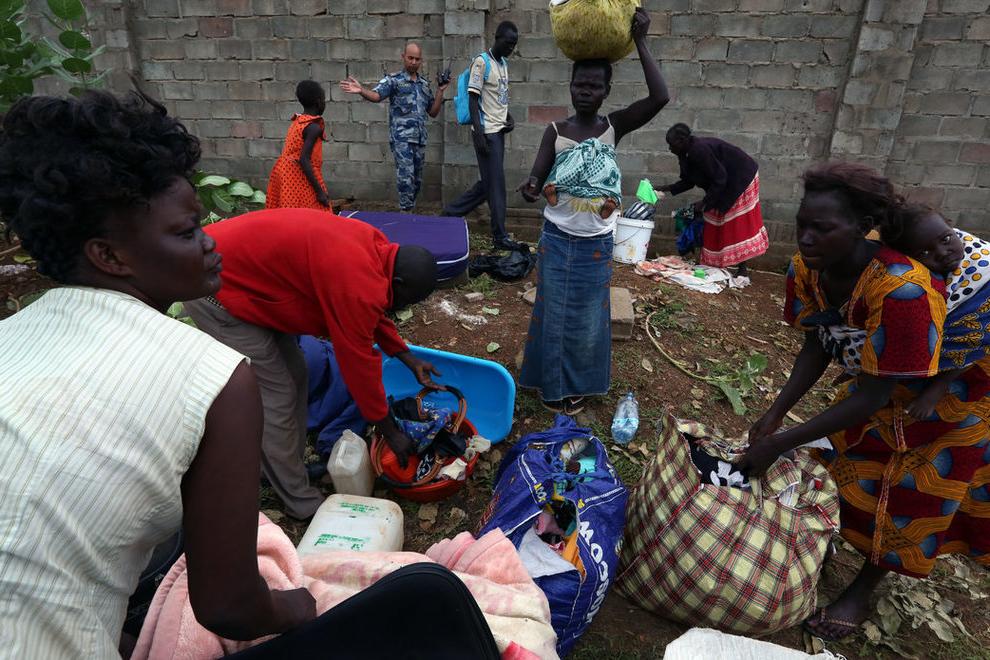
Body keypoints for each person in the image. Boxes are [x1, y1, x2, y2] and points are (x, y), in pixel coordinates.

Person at [0, 90, 315, 657]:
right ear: (110, 256)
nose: (210, 243)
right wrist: (305, 605)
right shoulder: (216, 377)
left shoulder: (10, 336)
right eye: (187, 232)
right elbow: (230, 608)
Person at [737, 162, 990, 641]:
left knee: (914, 486)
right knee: (852, 456)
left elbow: (873, 394)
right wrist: (774, 414)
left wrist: (781, 442)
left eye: (822, 228)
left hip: (956, 384)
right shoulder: (807, 267)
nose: (806, 238)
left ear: (862, 227)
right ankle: (830, 541)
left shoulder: (904, 289)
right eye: (802, 225)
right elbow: (817, 342)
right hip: (886, 370)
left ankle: (863, 587)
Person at [182, 209, 441, 520]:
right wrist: (390, 431)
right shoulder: (356, 283)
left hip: (252, 281)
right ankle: (299, 501)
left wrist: (407, 357)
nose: (403, 307)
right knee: (276, 394)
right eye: (407, 300)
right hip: (214, 287)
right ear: (397, 281)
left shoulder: (375, 250)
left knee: (296, 374)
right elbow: (358, 365)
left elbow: (370, 309)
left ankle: (278, 466)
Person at [516, 8, 669, 415]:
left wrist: (641, 41)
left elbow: (660, 97)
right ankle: (551, 385)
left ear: (606, 91)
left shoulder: (613, 128)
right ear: (569, 86)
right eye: (579, 84)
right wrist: (531, 188)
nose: (585, 91)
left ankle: (578, 383)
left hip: (595, 243)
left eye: (594, 86)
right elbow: (536, 179)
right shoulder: (555, 132)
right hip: (556, 240)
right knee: (553, 313)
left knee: (586, 320)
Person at [339, 43, 450, 212]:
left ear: (421, 61)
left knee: (417, 180)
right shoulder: (394, 80)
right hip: (401, 139)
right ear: (403, 57)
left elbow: (433, 112)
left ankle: (409, 210)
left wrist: (441, 91)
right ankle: (406, 213)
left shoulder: (424, 85)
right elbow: (376, 96)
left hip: (420, 139)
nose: (413, 62)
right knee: (406, 178)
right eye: (410, 58)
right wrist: (361, 90)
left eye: (417, 59)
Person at [442, 21, 519, 250]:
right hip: (487, 133)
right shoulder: (481, 63)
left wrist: (508, 117)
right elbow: (473, 99)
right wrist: (478, 134)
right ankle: (500, 236)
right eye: (508, 43)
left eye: (514, 45)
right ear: (497, 38)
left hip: (499, 130)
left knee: (489, 183)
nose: (511, 48)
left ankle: (450, 213)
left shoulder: (503, 64)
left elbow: (496, 97)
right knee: (497, 185)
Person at [657, 123, 769, 276]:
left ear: (682, 141)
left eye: (671, 144)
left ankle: (742, 269)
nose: (670, 149)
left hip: (741, 179)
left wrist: (705, 202)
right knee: (713, 219)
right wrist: (664, 188)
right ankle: (715, 263)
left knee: (734, 222)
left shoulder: (699, 150)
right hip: (723, 182)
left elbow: (720, 178)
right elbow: (688, 182)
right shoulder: (684, 154)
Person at [265, 80, 332, 212]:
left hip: (287, 175)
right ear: (319, 102)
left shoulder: (298, 121)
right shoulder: (313, 128)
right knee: (319, 211)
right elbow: (304, 159)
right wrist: (319, 191)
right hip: (299, 175)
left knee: (292, 211)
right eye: (324, 100)